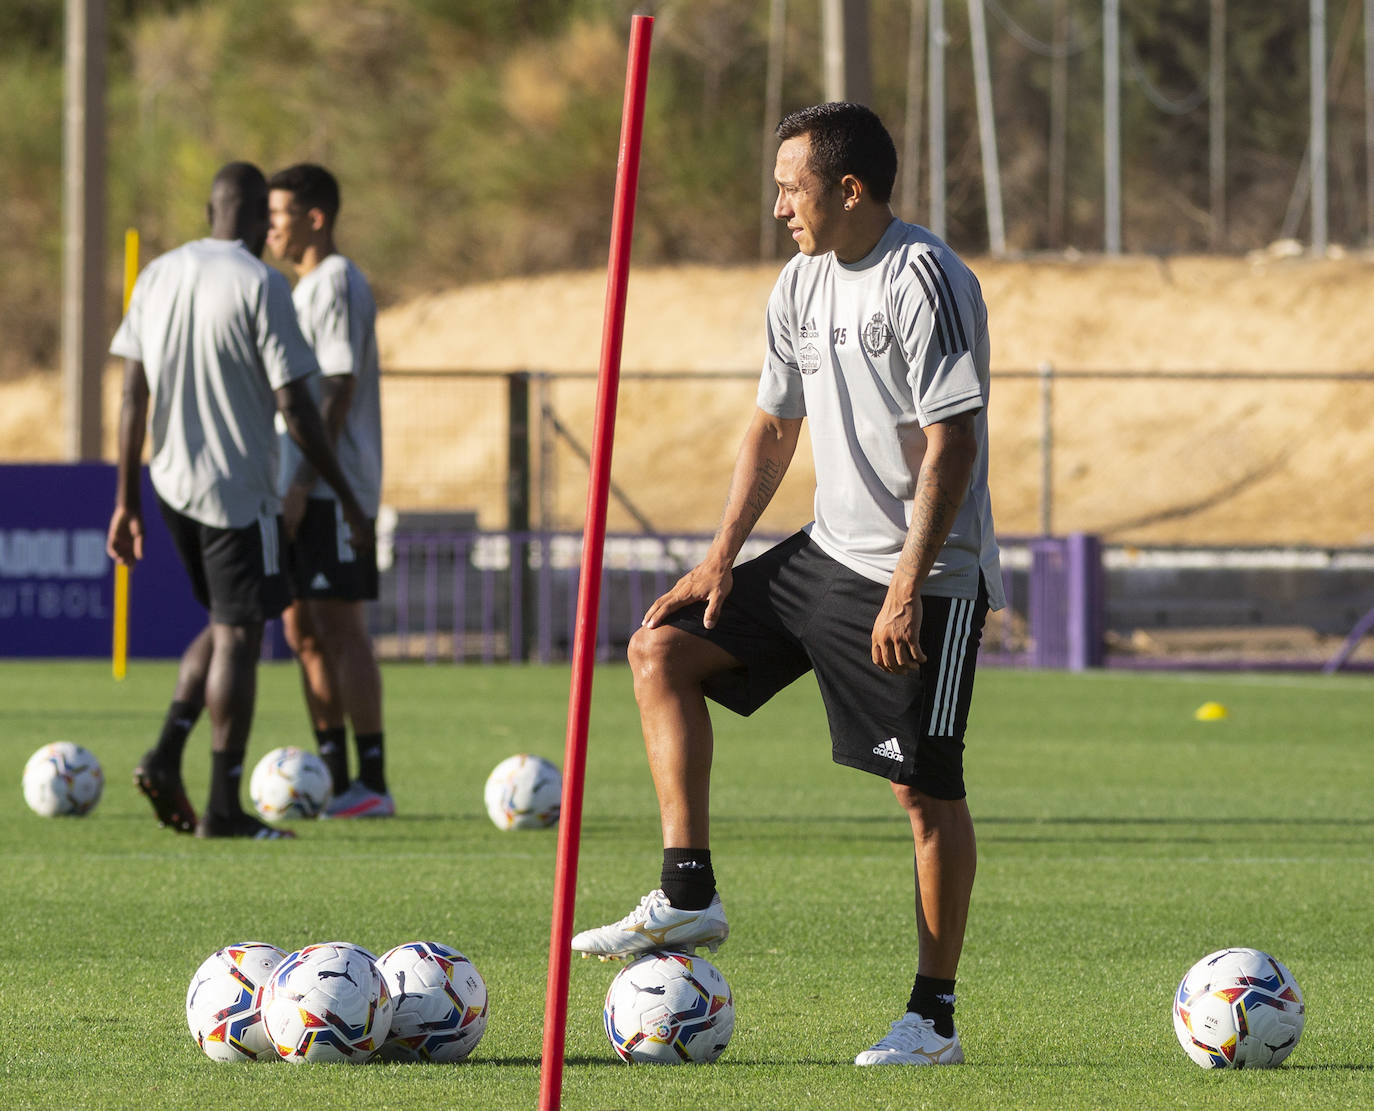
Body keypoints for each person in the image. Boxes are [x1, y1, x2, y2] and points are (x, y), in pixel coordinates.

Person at [570, 103, 1005, 1067]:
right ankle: (689, 895)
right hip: (822, 554)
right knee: (662, 649)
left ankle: (932, 1019)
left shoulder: (922, 276)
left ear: (849, 190)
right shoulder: (800, 283)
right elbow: (773, 426)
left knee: (924, 796)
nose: (778, 208)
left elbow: (955, 441)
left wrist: (905, 586)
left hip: (923, 580)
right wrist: (721, 555)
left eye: (790, 188)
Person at [107, 161, 373, 840]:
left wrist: (125, 499)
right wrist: (341, 492)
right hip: (239, 494)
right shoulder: (262, 283)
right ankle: (222, 808)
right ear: (258, 217)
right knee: (240, 635)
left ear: (208, 211)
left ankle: (167, 753)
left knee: (229, 621)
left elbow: (132, 393)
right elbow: (297, 404)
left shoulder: (158, 274)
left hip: (170, 486)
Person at [265, 163, 392, 819]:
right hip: (298, 487)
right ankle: (334, 776)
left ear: (315, 217)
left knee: (342, 628)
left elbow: (337, 389)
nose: (270, 227)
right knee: (302, 628)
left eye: (280, 213)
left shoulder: (337, 282)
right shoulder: (303, 287)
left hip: (330, 490)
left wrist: (309, 483)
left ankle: (371, 781)